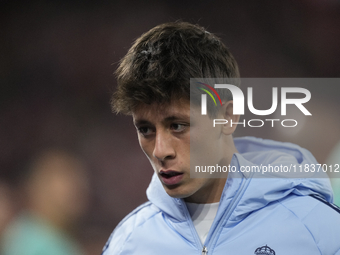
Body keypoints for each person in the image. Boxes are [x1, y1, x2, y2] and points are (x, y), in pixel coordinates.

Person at [102, 22, 340, 255]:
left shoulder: (318, 230)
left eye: (177, 125)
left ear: (227, 116)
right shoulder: (128, 242)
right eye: (145, 130)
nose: (160, 151)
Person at [1, 148, 89, 255]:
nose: (77, 185)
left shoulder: (56, 238)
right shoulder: (28, 242)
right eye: (63, 176)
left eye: (78, 176)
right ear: (36, 187)